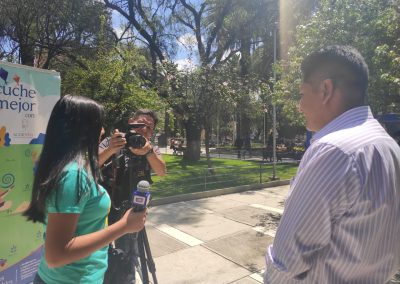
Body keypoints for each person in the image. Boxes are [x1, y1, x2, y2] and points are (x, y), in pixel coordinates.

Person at [264, 45, 400, 283]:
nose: (299, 106)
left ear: (325, 90)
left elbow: (285, 263)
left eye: (302, 94)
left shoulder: (333, 151)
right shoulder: (390, 147)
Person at [23, 95, 147, 284]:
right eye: (99, 124)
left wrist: (110, 150)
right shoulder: (73, 176)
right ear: (84, 129)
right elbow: (56, 255)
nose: (103, 130)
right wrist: (124, 226)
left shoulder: (62, 165)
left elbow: (86, 173)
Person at [98, 109, 166, 284]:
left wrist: (149, 152)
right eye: (141, 124)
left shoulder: (151, 146)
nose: (144, 129)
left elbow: (162, 172)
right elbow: (91, 164)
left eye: (149, 127)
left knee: (130, 254)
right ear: (131, 122)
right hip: (105, 208)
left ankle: (128, 279)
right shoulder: (114, 140)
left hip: (132, 211)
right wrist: (112, 148)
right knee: (99, 251)